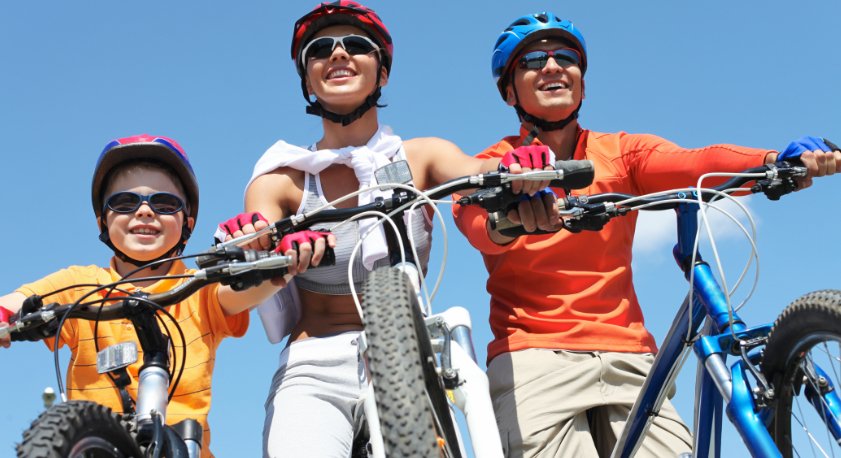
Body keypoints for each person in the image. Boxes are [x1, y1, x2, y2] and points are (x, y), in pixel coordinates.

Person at [451, 12, 841, 458]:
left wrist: (773, 161)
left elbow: (697, 163)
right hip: (535, 359)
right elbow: (475, 222)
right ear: (509, 90)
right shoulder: (495, 165)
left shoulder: (619, 153)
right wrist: (509, 215)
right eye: (534, 60)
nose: (553, 66)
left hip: (630, 358)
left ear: (582, 79)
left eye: (567, 58)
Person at [214, 2, 555, 456]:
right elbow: (253, 240)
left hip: (409, 359)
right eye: (321, 50)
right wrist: (261, 245)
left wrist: (517, 165)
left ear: (383, 73)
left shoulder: (421, 156)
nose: (338, 55)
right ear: (306, 77)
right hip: (314, 364)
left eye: (356, 45)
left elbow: (477, 171)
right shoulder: (281, 180)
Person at [0, 134, 291, 457]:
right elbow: (15, 302)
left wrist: (283, 259)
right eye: (124, 203)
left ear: (187, 223)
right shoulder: (81, 285)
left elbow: (241, 292)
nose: (144, 212)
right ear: (102, 221)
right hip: (95, 443)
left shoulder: (198, 287)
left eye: (164, 204)